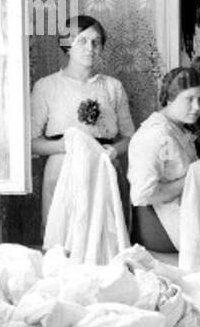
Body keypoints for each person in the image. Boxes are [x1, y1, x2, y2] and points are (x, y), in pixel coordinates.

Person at [30, 16, 135, 228]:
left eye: (96, 42)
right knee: (64, 242)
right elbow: (31, 142)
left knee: (104, 237)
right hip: (62, 171)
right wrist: (69, 146)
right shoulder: (47, 86)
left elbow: (130, 137)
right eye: (82, 40)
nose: (90, 48)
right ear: (67, 45)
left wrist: (112, 152)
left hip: (103, 168)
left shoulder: (112, 87)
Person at [127, 67, 200, 253]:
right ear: (170, 98)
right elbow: (142, 195)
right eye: (189, 99)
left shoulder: (177, 128)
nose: (197, 107)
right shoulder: (154, 135)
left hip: (187, 211)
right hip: (163, 224)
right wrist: (191, 179)